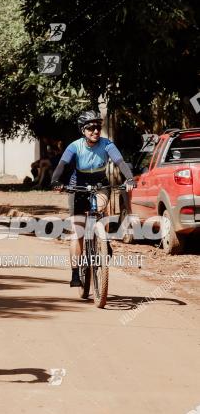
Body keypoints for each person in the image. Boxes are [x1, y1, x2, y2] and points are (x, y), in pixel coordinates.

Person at [51, 111, 134, 287]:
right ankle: (75, 273)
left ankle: (103, 240)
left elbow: (120, 162)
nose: (96, 131)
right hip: (77, 185)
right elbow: (62, 164)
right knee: (78, 230)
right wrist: (56, 181)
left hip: (100, 183)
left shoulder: (106, 144)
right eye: (91, 128)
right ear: (83, 130)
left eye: (98, 127)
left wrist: (130, 178)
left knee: (100, 208)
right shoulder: (75, 146)